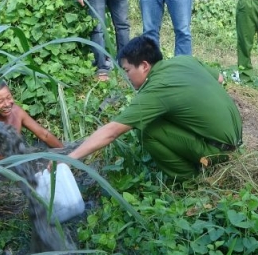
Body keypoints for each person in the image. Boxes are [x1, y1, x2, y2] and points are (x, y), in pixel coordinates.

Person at [66, 36, 242, 180]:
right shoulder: (184, 61)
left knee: (146, 129)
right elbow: (219, 78)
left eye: (127, 70)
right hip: (236, 138)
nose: (126, 77)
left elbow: (112, 131)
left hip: (220, 151)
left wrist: (70, 158)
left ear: (144, 66)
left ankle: (190, 180)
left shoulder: (157, 89)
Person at [0, 80, 64, 184]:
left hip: (18, 161)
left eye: (9, 97)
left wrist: (64, 152)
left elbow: (44, 135)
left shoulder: (16, 112)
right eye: (0, 101)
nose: (7, 104)